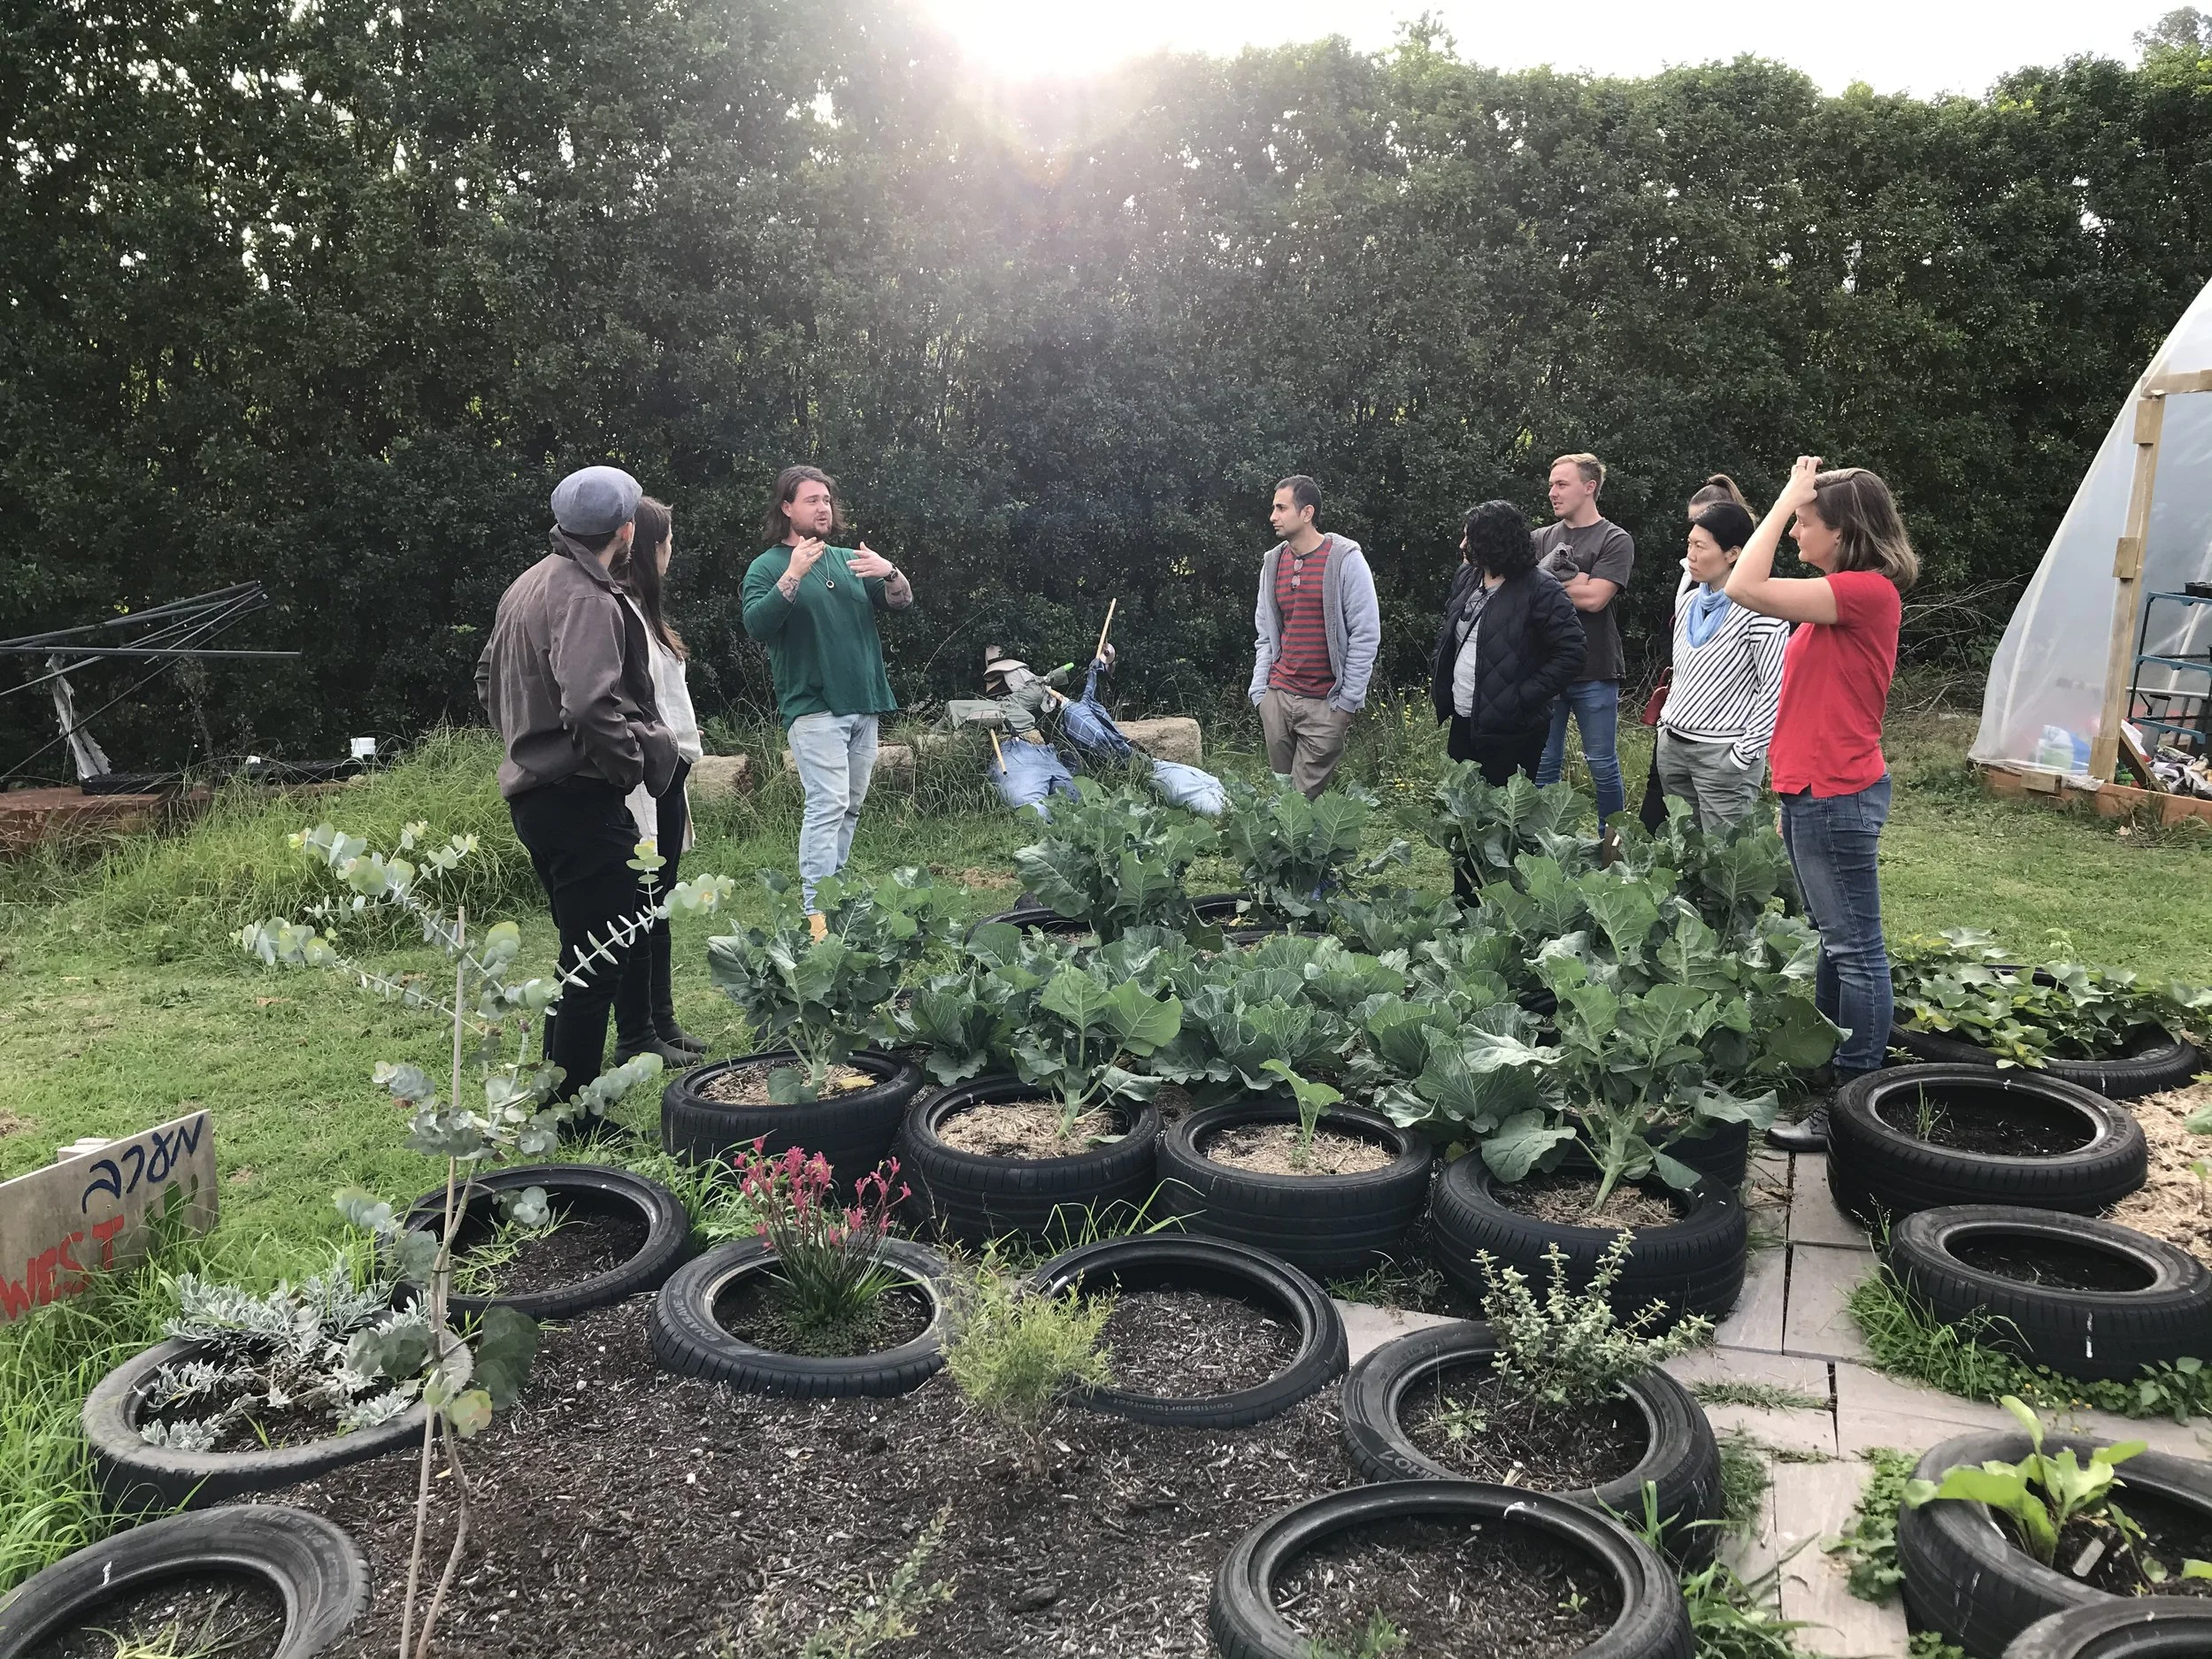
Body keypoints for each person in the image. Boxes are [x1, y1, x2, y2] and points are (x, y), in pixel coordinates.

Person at [1725, 456, 1919, 1152]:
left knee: (1857, 950)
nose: (1799, 535)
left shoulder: (1865, 592)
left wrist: (1781, 496)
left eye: (1807, 524)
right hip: (1815, 790)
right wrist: (1789, 791)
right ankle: (1837, 1083)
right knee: (1837, 949)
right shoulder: (1842, 594)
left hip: (1838, 791)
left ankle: (1852, 1102)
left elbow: (1742, 583)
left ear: (1843, 530)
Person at [476, 464, 676, 1104]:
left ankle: (556, 1093)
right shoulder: (586, 596)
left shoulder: (528, 584)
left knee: (580, 952)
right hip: (578, 796)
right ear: (625, 530)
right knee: (600, 960)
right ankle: (577, 1110)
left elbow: (485, 679)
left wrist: (521, 738)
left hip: (536, 796)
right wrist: (626, 767)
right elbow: (591, 705)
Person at [741, 465, 914, 923]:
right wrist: (794, 574)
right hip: (813, 706)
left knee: (851, 807)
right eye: (812, 500)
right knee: (828, 805)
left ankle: (833, 900)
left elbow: (901, 601)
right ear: (787, 508)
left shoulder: (846, 558)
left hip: (865, 701)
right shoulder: (768, 566)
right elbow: (757, 625)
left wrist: (891, 572)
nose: (823, 507)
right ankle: (816, 914)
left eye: (826, 500)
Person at [611, 496, 708, 1068]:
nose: (672, 550)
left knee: (660, 903)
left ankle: (663, 1020)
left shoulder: (647, 614)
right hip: (643, 782)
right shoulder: (618, 613)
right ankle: (636, 1033)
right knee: (638, 906)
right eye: (668, 539)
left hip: (670, 776)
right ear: (650, 546)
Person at [1429, 500, 1586, 785]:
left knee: (1505, 818)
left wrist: (1519, 699)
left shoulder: (1541, 588)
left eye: (1470, 537)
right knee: (1461, 812)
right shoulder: (1467, 576)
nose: (1463, 545)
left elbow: (1571, 653)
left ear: (1493, 542)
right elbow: (1450, 633)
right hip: (1464, 717)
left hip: (1514, 730)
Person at [1655, 501, 1789, 829]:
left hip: (1723, 754)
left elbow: (1775, 688)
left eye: (1701, 547)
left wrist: (1742, 755)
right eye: (1690, 544)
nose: (1691, 556)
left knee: (1725, 861)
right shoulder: (1688, 600)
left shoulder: (1763, 610)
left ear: (1733, 554)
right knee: (1682, 852)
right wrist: (1663, 727)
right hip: (1673, 746)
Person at [1248, 475, 1379, 798]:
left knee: (1300, 801)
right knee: (1283, 796)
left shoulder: (1345, 560)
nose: (1273, 517)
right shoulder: (1273, 563)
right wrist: (1260, 692)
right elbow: (1265, 632)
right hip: (1277, 696)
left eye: (1281, 508)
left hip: (1325, 703)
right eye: (1273, 508)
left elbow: (1366, 634)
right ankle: (1291, 849)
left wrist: (1347, 701)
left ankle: (1301, 847)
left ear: (1307, 513)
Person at [1533, 453, 1636, 821]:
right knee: (1544, 764)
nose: (1552, 493)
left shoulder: (1615, 538)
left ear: (1589, 487)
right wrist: (1577, 581)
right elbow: (1520, 591)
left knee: (1603, 765)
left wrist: (1545, 583)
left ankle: (1612, 851)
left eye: (1561, 484)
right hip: (1545, 671)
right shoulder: (1539, 538)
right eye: (1551, 485)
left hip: (1595, 669)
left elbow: (1595, 599)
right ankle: (1540, 847)